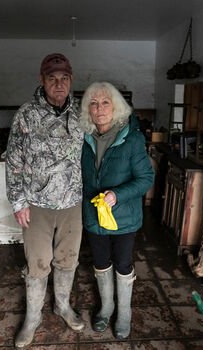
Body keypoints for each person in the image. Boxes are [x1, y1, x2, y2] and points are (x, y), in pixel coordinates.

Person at [5, 53, 84, 348]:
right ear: (42, 81)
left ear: (71, 80)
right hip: (36, 204)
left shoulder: (80, 114)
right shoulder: (26, 114)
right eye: (52, 78)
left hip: (72, 202)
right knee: (37, 264)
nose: (58, 84)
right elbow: (13, 161)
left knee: (68, 260)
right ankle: (33, 317)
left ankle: (62, 306)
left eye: (64, 78)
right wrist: (17, 201)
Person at [79, 81, 154, 339]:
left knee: (122, 263)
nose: (99, 109)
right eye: (94, 103)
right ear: (87, 109)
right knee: (100, 262)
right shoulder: (83, 137)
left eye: (105, 102)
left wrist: (116, 195)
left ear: (117, 107)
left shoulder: (132, 139)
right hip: (93, 216)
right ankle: (107, 306)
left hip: (123, 216)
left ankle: (124, 313)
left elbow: (146, 178)